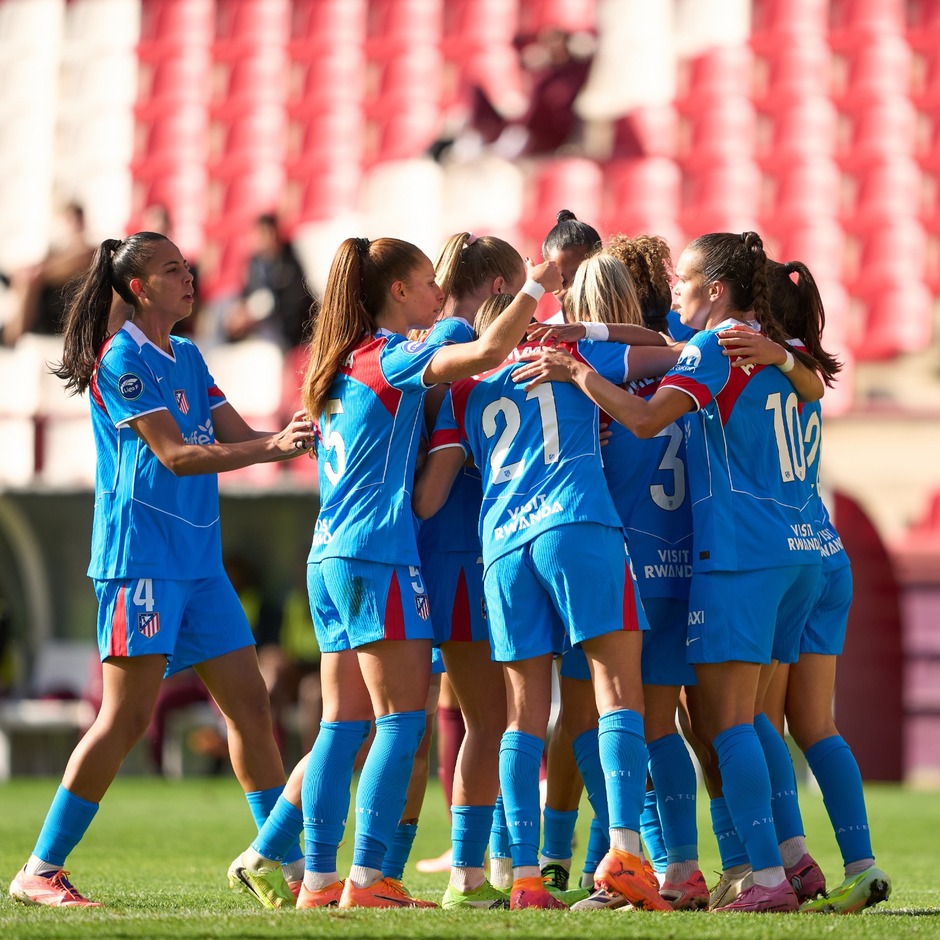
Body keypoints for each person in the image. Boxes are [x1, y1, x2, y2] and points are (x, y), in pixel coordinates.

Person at [511, 231, 826, 913]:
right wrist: (787, 358)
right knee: (726, 724)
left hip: (641, 569)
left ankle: (669, 864)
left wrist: (575, 370)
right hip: (706, 564)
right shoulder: (700, 361)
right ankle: (762, 861)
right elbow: (809, 377)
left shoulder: (605, 375)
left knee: (644, 726)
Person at [7, 231, 313, 908]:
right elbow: (177, 455)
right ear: (140, 288)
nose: (189, 276)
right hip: (139, 561)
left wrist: (296, 432)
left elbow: (233, 432)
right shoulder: (122, 360)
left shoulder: (190, 354)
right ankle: (40, 870)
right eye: (172, 270)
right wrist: (272, 449)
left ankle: (286, 870)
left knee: (251, 708)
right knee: (123, 718)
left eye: (187, 266)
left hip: (199, 566)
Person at [290, 235, 561, 911]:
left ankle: (319, 880)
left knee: (339, 724)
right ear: (399, 293)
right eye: (425, 283)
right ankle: (367, 880)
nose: (438, 292)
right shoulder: (395, 355)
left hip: (326, 554)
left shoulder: (334, 362)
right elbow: (489, 352)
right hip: (379, 554)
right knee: (400, 723)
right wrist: (540, 284)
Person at [414, 285, 679, 911]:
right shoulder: (555, 349)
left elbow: (438, 486)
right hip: (579, 525)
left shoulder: (461, 386)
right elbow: (668, 351)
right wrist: (583, 344)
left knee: (522, 715)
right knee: (619, 694)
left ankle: (526, 878)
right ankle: (625, 856)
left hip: (501, 546)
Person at [716, 260, 892, 914]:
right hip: (823, 553)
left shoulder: (744, 357)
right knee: (817, 725)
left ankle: (784, 863)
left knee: (757, 717)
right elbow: (813, 387)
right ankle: (861, 863)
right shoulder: (800, 364)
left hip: (769, 556)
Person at [1, 202, 94, 345]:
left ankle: (12, 334)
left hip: (65, 302)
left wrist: (39, 274)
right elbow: (12, 336)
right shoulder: (58, 252)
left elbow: (85, 258)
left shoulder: (81, 249)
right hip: (54, 305)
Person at [222, 213, 313, 351]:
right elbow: (247, 294)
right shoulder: (254, 264)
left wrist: (259, 317)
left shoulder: (289, 263)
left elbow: (294, 305)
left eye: (266, 233)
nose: (263, 239)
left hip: (284, 334)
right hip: (256, 331)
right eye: (259, 234)